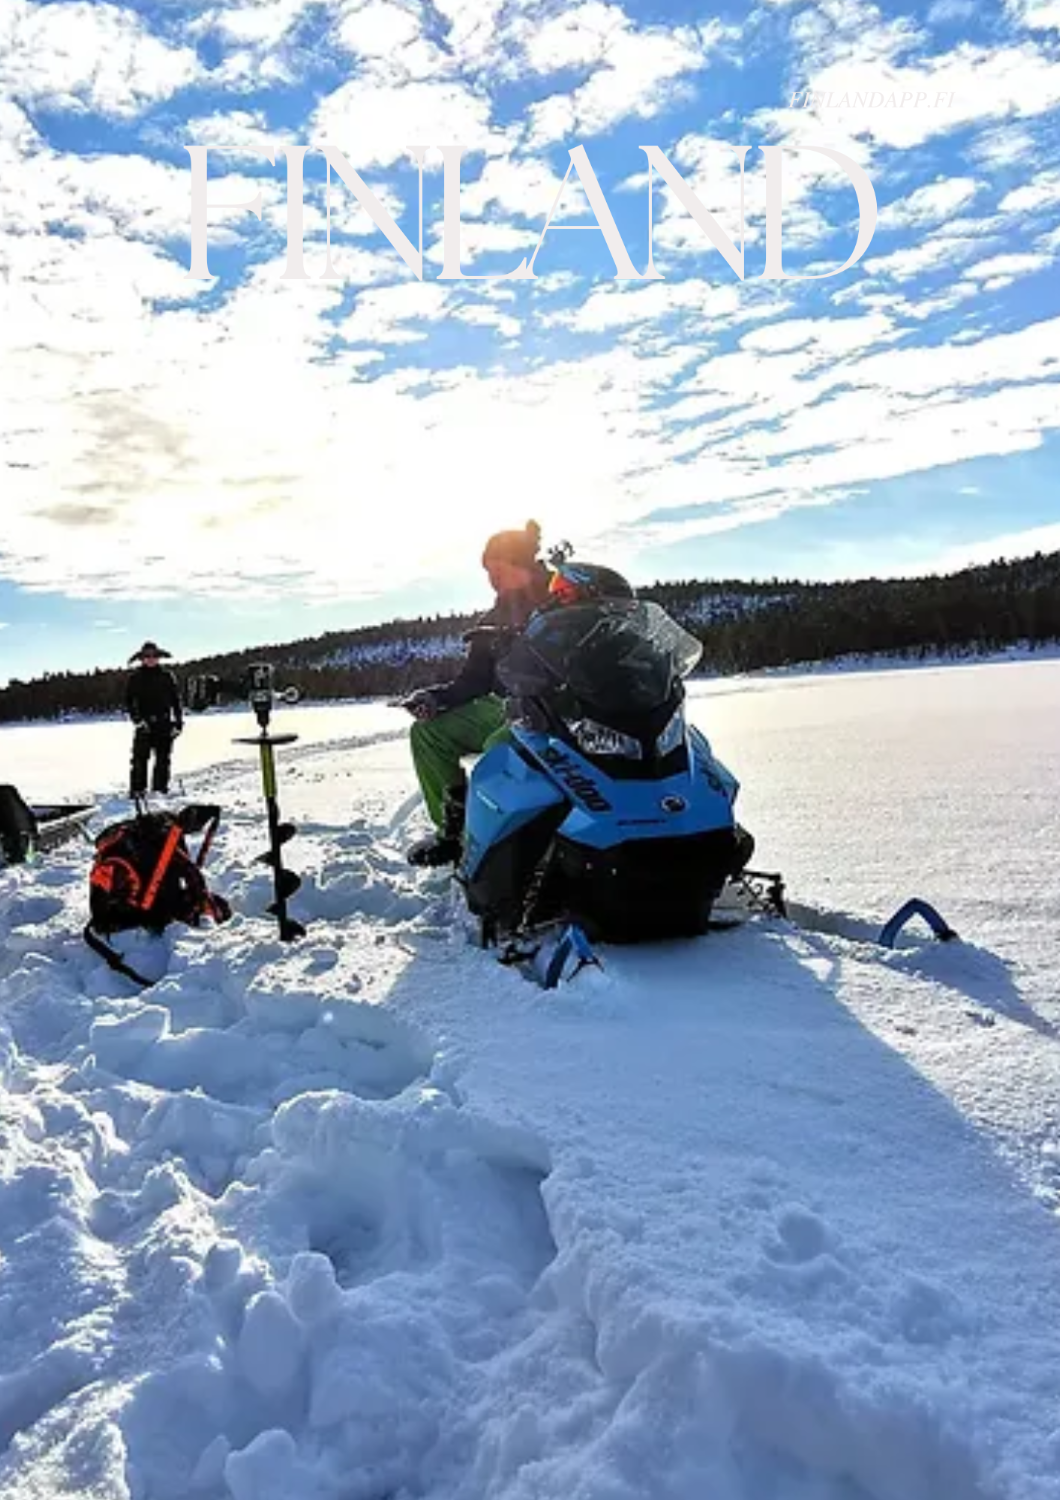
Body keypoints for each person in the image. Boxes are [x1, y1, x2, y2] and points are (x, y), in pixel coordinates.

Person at [402, 521, 553, 867]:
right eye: (488, 572)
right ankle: (454, 833)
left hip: (561, 710)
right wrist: (435, 699)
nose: (492, 579)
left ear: (521, 564)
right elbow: (473, 681)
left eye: (498, 570)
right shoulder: (493, 619)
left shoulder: (563, 597)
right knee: (428, 733)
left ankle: (518, 839)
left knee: (500, 749)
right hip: (510, 709)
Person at [126, 641, 183, 797]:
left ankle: (160, 790)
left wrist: (178, 723)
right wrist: (137, 720)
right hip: (144, 725)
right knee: (139, 760)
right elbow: (130, 702)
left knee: (163, 760)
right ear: (142, 659)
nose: (150, 659)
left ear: (158, 657)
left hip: (164, 723)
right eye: (147, 656)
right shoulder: (135, 678)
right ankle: (137, 790)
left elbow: (176, 701)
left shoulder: (167, 676)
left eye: (153, 656)